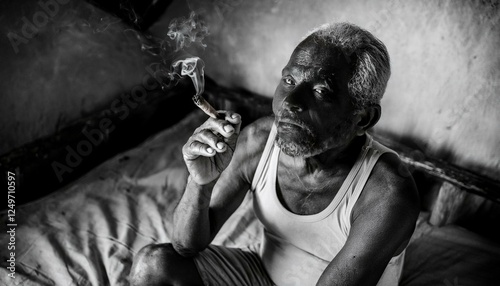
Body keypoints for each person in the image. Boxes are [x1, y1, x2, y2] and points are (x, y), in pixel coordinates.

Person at [129, 22, 420, 286]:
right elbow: (185, 246)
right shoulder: (259, 140)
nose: (290, 103)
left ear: (363, 119)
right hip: (261, 275)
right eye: (289, 81)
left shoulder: (387, 192)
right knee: (153, 265)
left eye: (320, 91)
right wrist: (200, 182)